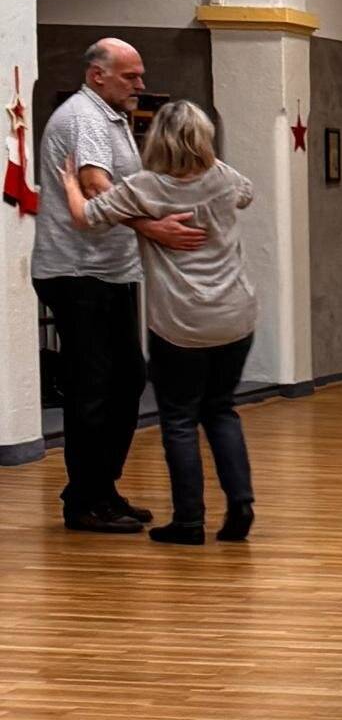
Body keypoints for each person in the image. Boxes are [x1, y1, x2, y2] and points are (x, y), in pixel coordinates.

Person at [59, 100, 257, 545]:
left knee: (180, 419)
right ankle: (240, 504)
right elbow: (247, 193)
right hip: (235, 315)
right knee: (221, 409)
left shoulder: (143, 187)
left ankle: (189, 521)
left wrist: (70, 183)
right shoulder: (224, 179)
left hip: (180, 322)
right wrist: (206, 159)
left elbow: (84, 217)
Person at [32, 38, 205, 533]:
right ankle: (84, 502)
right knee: (93, 388)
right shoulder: (83, 116)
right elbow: (95, 186)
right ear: (97, 76)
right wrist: (155, 228)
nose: (141, 85)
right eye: (130, 77)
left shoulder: (107, 117)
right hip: (77, 272)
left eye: (140, 75)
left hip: (109, 270)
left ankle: (99, 490)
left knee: (126, 380)